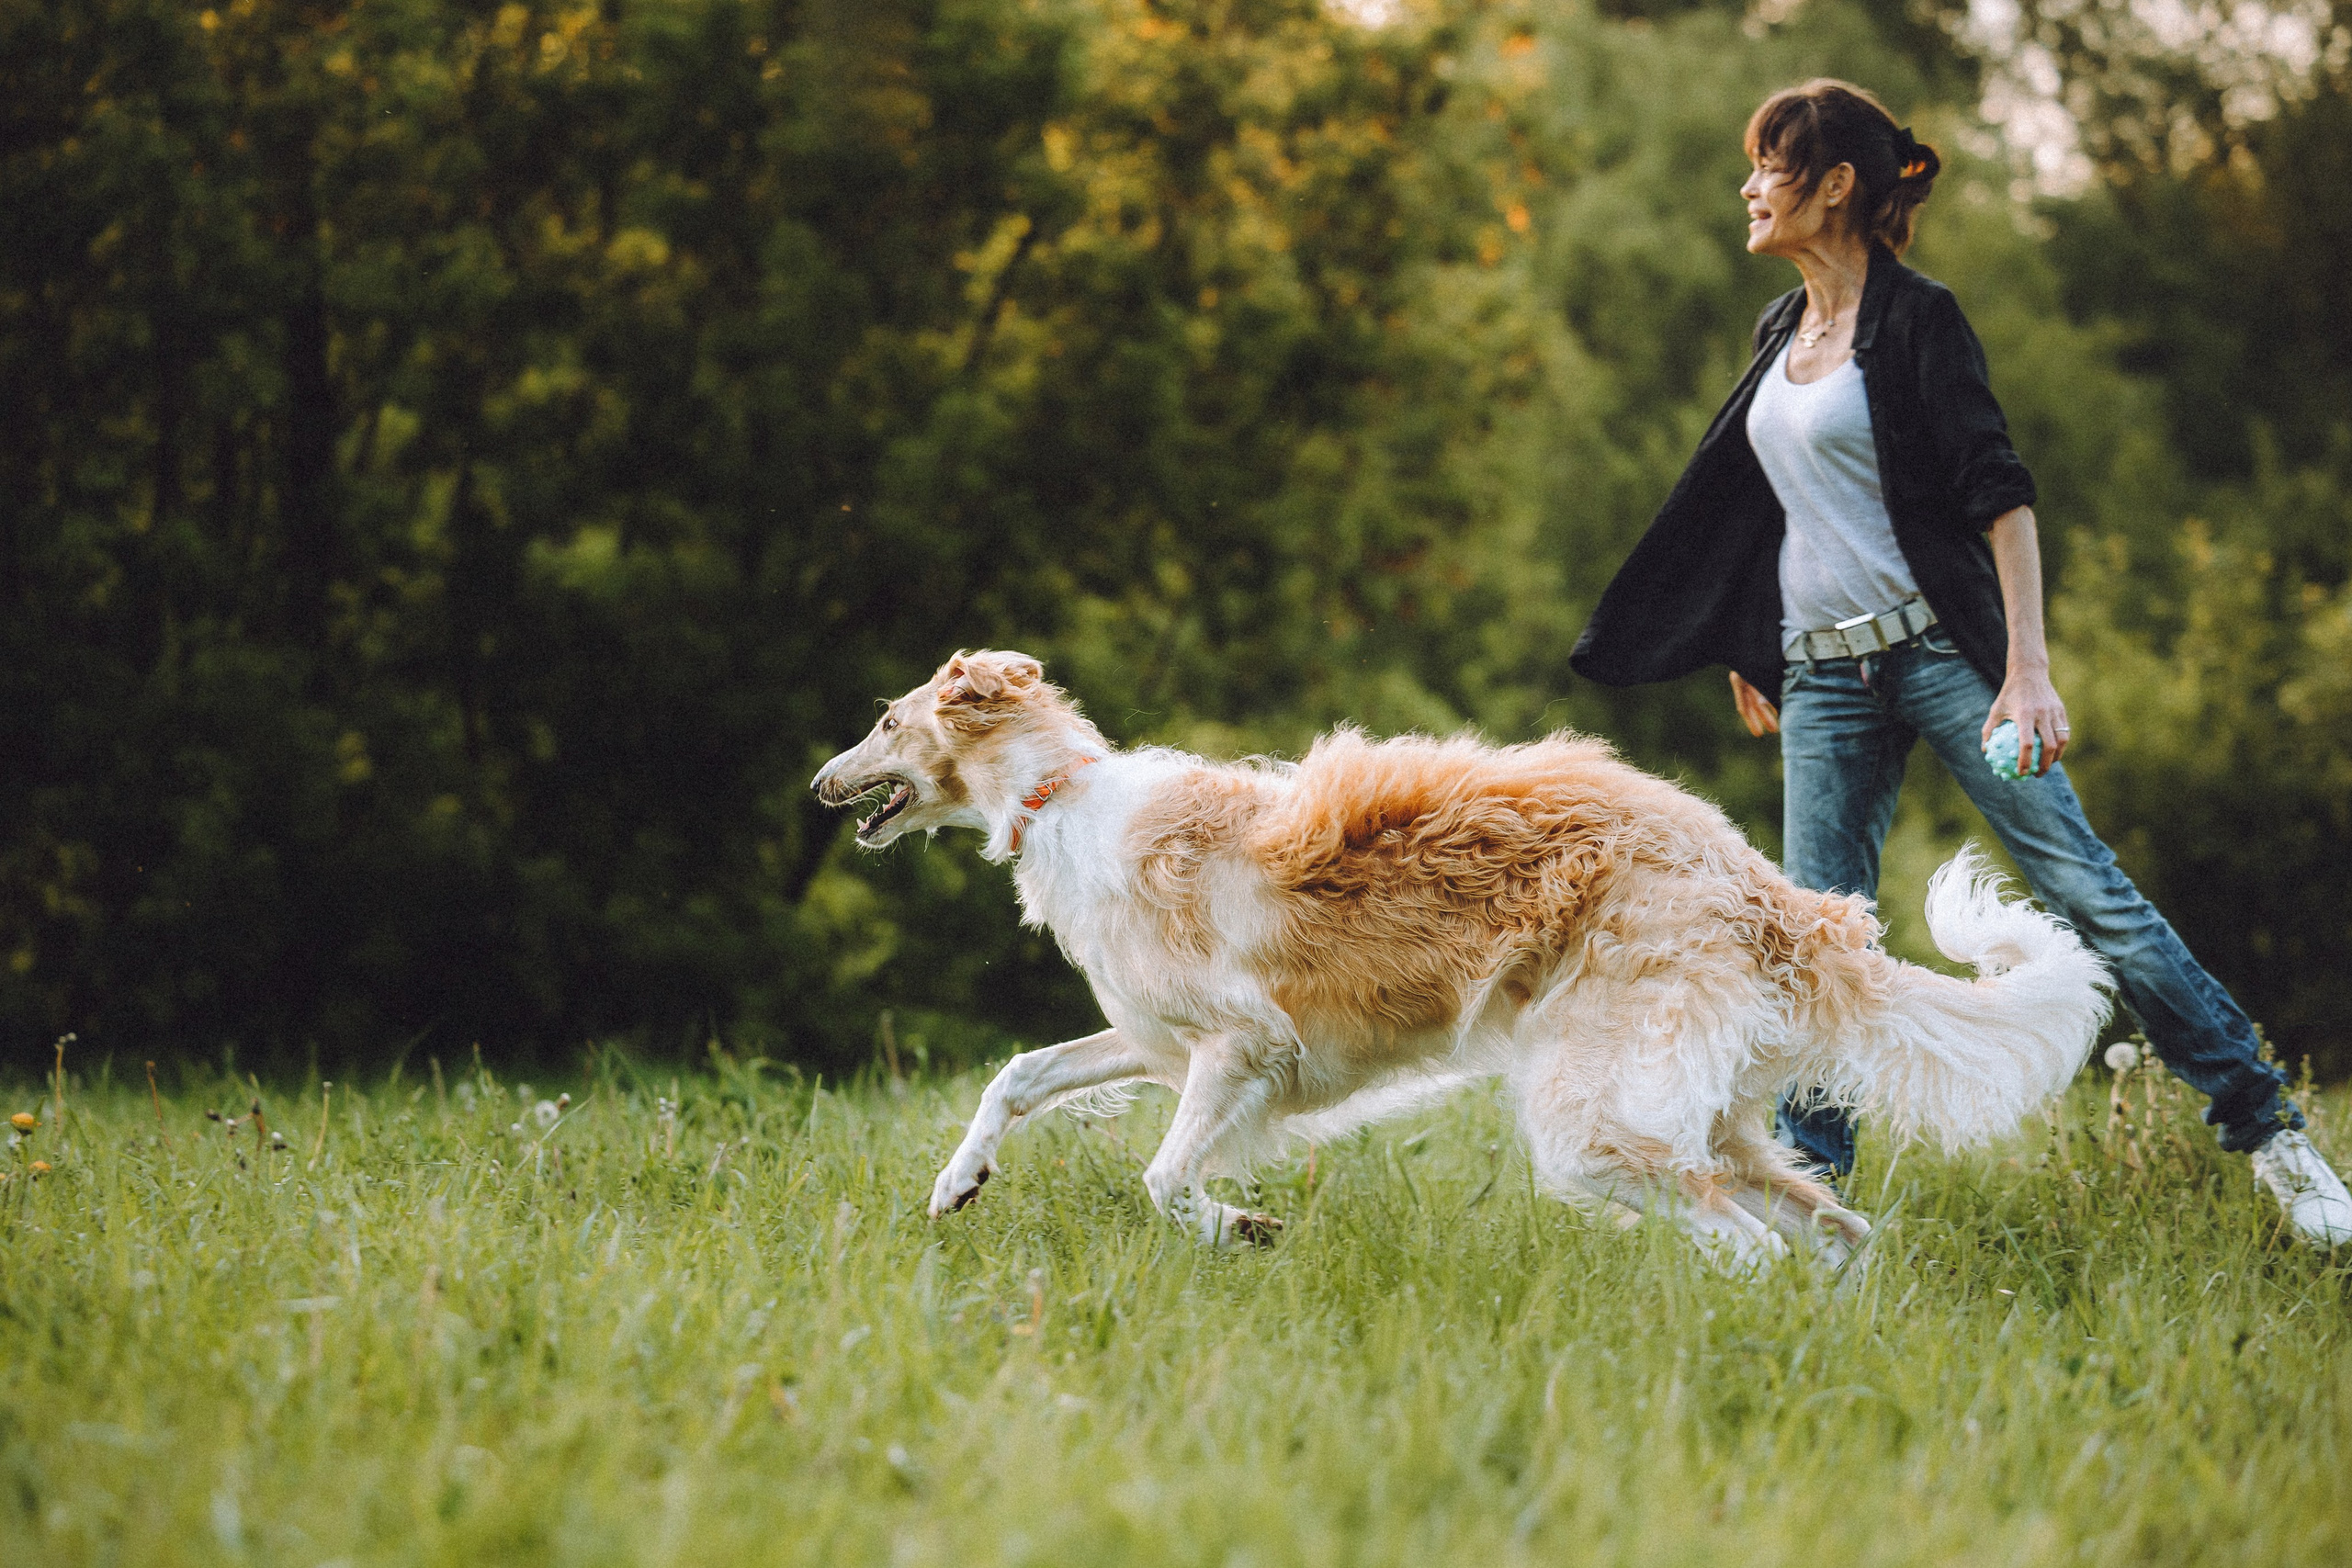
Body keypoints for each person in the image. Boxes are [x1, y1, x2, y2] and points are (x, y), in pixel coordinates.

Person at [1569, 78, 2352, 1247]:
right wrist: (1753, 641)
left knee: (2090, 889)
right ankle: (1817, 1201)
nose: (1746, 186)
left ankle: (2274, 1137)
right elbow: (1769, 508)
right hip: (1822, 673)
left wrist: (2024, 671)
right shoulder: (1778, 333)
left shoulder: (1919, 321)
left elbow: (2002, 496)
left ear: (1832, 186)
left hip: (1943, 659)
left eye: (1766, 166)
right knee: (1813, 937)